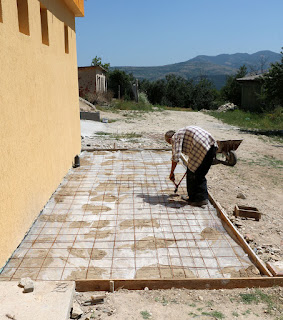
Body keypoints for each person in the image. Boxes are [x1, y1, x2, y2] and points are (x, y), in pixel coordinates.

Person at [165, 126, 217, 207]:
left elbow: (176, 157)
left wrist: (171, 173)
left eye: (170, 143)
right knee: (199, 172)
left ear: (169, 140)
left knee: (193, 174)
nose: (171, 145)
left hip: (202, 148)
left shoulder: (175, 138)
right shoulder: (182, 132)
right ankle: (196, 197)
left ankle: (199, 199)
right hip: (212, 145)